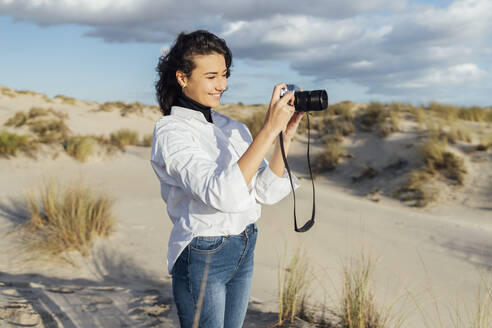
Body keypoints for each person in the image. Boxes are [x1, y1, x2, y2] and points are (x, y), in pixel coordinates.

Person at [150, 30, 305, 328]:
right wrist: (267, 130)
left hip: (244, 244)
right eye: (211, 76)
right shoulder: (171, 132)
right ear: (183, 77)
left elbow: (266, 192)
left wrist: (284, 136)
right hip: (203, 253)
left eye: (224, 74)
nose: (222, 85)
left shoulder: (233, 127)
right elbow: (222, 195)